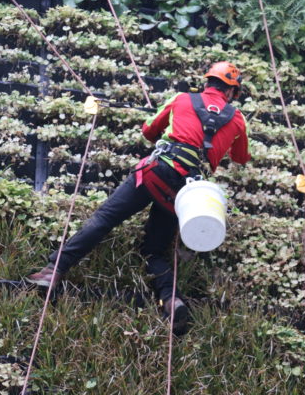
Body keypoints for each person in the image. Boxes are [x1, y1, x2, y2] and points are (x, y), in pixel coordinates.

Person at [26, 61, 251, 331]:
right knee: (154, 250)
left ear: (207, 83)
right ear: (231, 93)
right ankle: (170, 299)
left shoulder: (181, 99)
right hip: (184, 193)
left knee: (105, 218)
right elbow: (240, 158)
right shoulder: (237, 119)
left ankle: (53, 272)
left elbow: (148, 131)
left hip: (156, 173)